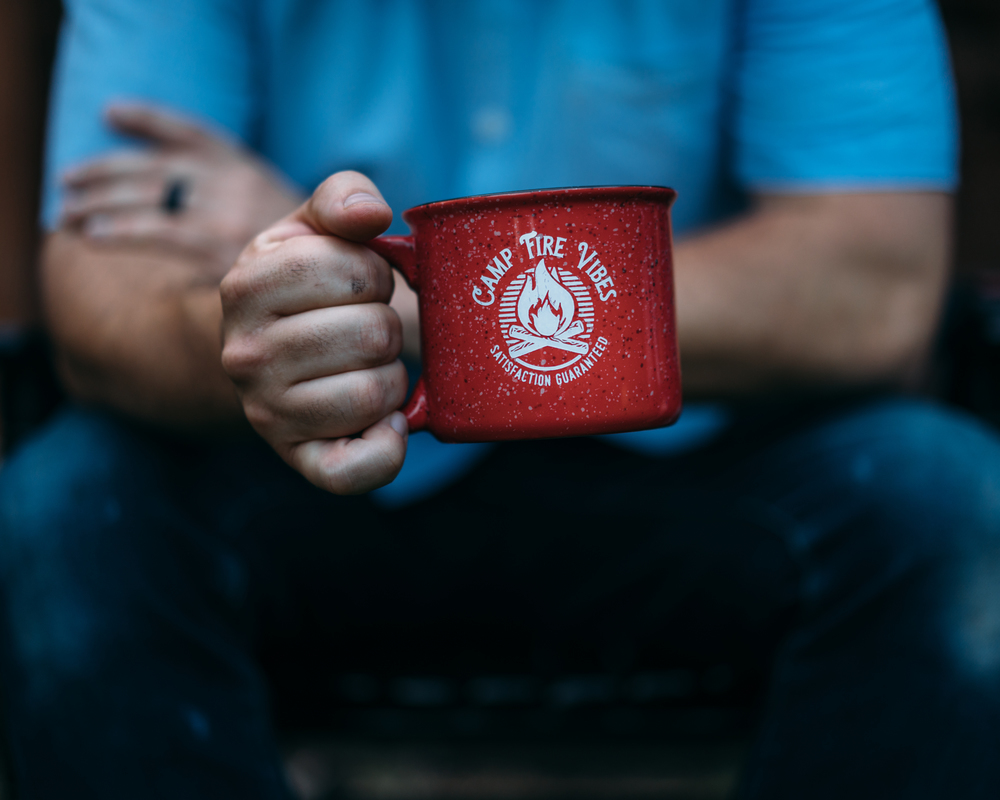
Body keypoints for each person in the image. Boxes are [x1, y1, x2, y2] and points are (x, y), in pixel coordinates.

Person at [1, 0, 999, 797]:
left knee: (949, 502)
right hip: (310, 476)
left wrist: (386, 290)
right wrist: (279, 326)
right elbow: (99, 300)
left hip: (698, 473)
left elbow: (875, 288)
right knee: (68, 511)